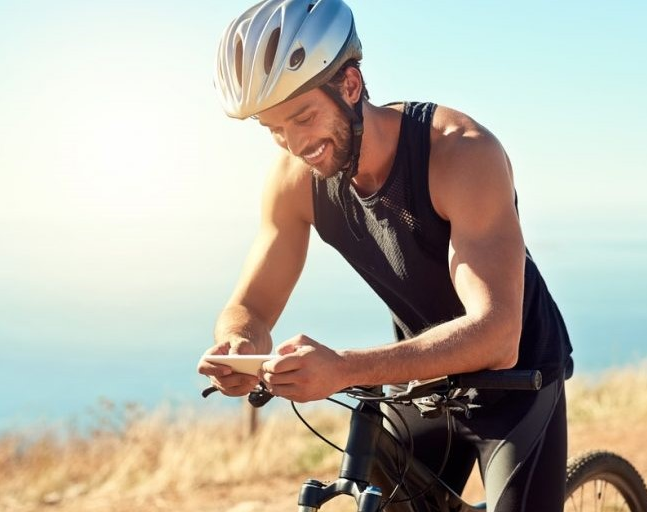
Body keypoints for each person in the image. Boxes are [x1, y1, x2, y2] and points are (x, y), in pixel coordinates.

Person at [196, 0, 573, 509]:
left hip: (517, 385)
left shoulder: (461, 155)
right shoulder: (293, 182)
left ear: (350, 85)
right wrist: (238, 344)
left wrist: (344, 367)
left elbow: (497, 334)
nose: (294, 144)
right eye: (275, 129)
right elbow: (253, 306)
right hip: (421, 383)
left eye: (304, 117)